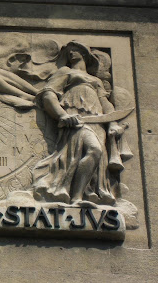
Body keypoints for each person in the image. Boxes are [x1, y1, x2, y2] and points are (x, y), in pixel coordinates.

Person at [32, 41, 124, 206]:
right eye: (69, 51)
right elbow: (48, 94)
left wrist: (112, 123)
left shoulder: (96, 80)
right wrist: (62, 115)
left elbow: (105, 103)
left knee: (97, 155)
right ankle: (75, 197)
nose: (71, 53)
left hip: (97, 120)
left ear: (85, 54)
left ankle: (81, 197)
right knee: (93, 149)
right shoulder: (65, 72)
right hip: (76, 119)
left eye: (76, 50)